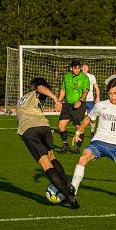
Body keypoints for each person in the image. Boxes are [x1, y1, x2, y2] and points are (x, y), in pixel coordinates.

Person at [16, 77, 79, 209]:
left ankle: (68, 197)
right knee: (52, 157)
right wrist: (54, 98)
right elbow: (40, 88)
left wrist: (56, 99)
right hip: (44, 127)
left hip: (29, 130)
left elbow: (39, 88)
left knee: (46, 165)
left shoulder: (25, 97)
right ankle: (67, 186)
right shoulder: (36, 93)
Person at [58, 60, 90, 154]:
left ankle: (77, 147)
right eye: (75, 68)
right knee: (61, 125)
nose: (77, 70)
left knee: (79, 127)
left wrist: (80, 100)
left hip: (79, 105)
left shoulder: (84, 77)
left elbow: (85, 91)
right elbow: (63, 90)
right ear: (71, 68)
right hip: (67, 105)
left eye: (78, 68)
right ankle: (66, 145)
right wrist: (58, 101)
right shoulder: (66, 76)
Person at [81, 63, 100, 137]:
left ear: (88, 69)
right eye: (83, 67)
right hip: (81, 100)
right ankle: (80, 131)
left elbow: (96, 88)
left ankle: (92, 131)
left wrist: (98, 97)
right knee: (80, 117)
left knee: (92, 117)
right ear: (81, 68)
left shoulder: (92, 77)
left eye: (86, 67)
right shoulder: (78, 77)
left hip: (90, 100)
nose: (85, 68)